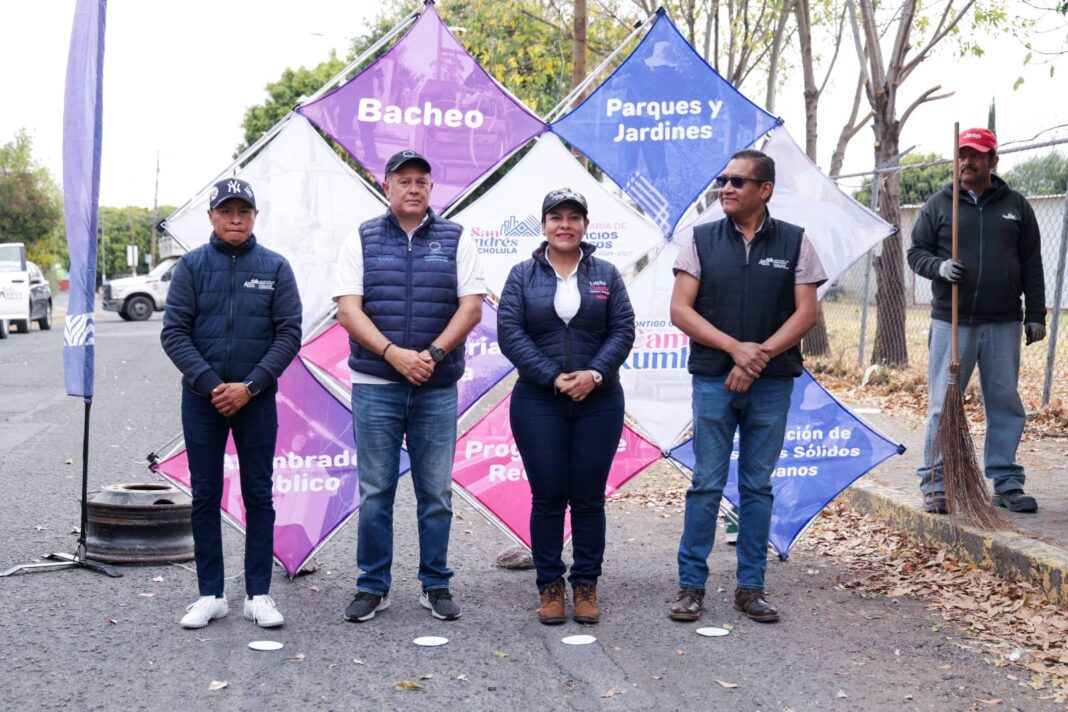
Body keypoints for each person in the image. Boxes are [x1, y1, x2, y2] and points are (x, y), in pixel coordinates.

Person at [668, 150, 824, 624]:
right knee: (706, 484)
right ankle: (691, 587)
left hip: (771, 384)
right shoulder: (699, 239)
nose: (726, 188)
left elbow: (807, 313)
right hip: (713, 381)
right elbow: (680, 310)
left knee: (757, 486)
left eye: (738, 181)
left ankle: (750, 588)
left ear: (765, 189)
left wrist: (757, 358)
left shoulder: (796, 241)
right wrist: (736, 349)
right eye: (723, 180)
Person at [333, 150, 485, 623]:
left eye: (421, 181)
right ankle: (372, 586)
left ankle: (435, 583)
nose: (413, 188)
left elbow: (471, 308)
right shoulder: (361, 238)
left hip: (436, 386)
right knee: (376, 491)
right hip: (375, 384)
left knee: (435, 493)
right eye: (404, 180)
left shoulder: (456, 238)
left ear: (431, 189)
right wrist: (393, 354)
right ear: (387, 187)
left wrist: (432, 355)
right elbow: (348, 310)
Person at [161, 177, 302, 629]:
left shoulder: (275, 267)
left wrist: (250, 386)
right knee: (205, 495)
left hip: (256, 401)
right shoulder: (191, 267)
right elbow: (174, 333)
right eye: (226, 211)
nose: (235, 218)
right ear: (211, 217)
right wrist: (211, 385)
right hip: (202, 401)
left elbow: (288, 335)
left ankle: (258, 595)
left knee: (258, 494)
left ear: (255, 216)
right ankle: (211, 595)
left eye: (244, 211)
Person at [498, 188, 635, 625]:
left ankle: (586, 584)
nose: (565, 224)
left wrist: (594, 374)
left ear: (585, 226)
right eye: (556, 217)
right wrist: (554, 377)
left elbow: (623, 329)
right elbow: (510, 333)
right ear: (543, 226)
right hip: (539, 400)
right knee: (549, 497)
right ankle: (550, 587)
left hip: (600, 399)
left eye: (574, 217)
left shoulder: (606, 274)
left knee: (589, 498)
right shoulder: (522, 275)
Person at [907, 128, 1046, 515]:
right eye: (962, 155)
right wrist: (939, 267)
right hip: (953, 322)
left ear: (993, 160)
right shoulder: (940, 204)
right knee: (943, 403)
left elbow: (1032, 263)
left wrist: (1036, 314)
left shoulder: (1016, 206)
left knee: (1004, 402)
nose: (967, 161)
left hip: (1003, 322)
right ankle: (935, 483)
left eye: (976, 155)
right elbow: (916, 253)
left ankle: (1006, 482)